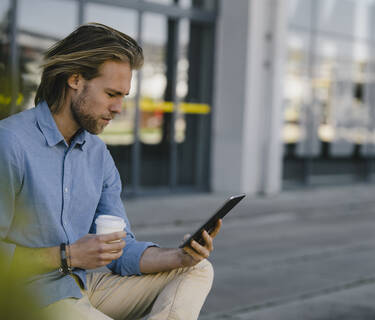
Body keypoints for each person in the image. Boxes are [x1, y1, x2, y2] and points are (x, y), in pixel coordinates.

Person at [0, 23, 221, 320]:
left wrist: (179, 255)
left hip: (82, 286)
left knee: (196, 269)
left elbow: (121, 248)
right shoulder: (10, 142)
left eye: (124, 96)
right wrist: (68, 256)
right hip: (28, 297)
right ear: (75, 79)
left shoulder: (97, 154)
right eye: (111, 94)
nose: (118, 108)